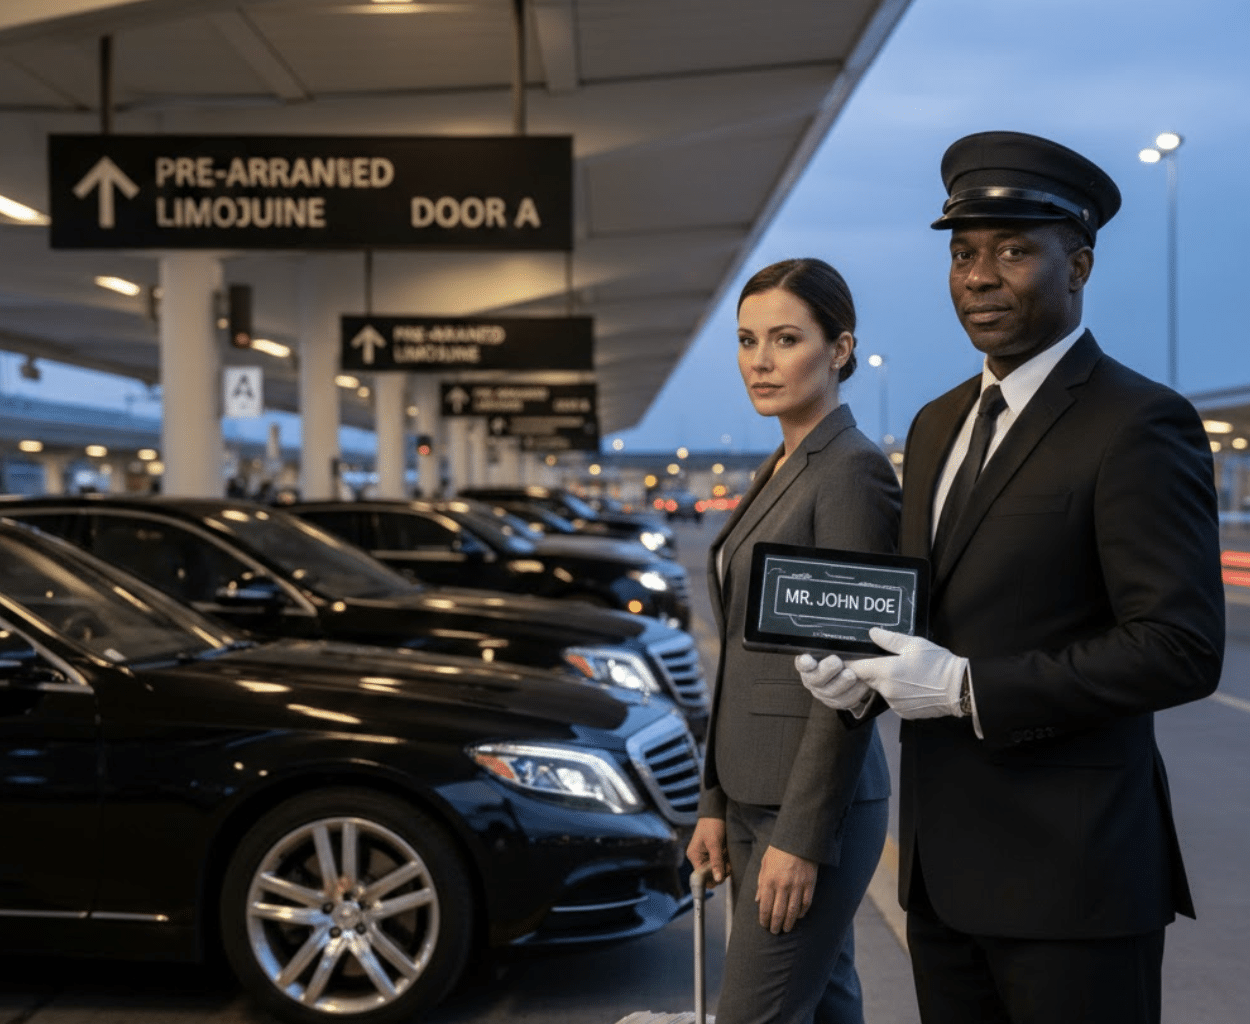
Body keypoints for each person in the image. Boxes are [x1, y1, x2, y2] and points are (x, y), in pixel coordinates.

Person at [799, 131, 1226, 1024]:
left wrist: (964, 688)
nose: (980, 276)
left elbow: (1179, 649)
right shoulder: (935, 423)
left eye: (1012, 251)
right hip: (942, 877)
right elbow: (931, 608)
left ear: (1079, 266)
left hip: (1073, 881)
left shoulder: (1138, 422)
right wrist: (859, 680)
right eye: (962, 254)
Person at [687, 257, 900, 1024]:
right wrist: (713, 800)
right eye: (747, 341)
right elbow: (742, 658)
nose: (761, 361)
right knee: (827, 1001)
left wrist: (803, 840)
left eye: (785, 338)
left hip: (809, 812)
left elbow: (855, 676)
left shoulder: (852, 473)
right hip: (750, 795)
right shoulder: (784, 464)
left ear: (840, 349)